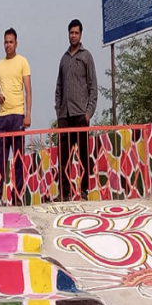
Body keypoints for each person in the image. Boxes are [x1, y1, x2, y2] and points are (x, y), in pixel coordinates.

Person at [54, 18, 98, 201]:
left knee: (82, 156)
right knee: (63, 156)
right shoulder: (64, 59)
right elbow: (59, 87)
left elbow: (93, 87)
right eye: (71, 33)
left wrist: (89, 113)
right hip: (65, 115)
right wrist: (58, 110)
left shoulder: (86, 56)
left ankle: (84, 191)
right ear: (68, 34)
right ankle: (64, 192)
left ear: (81, 34)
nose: (73, 36)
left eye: (76, 33)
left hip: (81, 115)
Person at [0, 27, 32, 206]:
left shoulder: (23, 62)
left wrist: (27, 114)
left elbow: (28, 91)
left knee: (18, 158)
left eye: (11, 42)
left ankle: (17, 194)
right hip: (2, 116)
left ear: (16, 43)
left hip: (17, 115)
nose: (8, 45)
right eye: (6, 42)